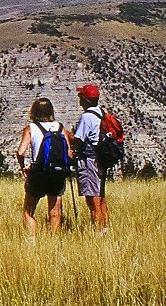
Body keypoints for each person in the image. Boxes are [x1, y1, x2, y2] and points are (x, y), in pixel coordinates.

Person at [16, 96, 74, 238]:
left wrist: (23, 167)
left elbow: (20, 152)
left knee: (29, 210)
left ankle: (31, 242)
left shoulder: (31, 128)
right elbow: (70, 153)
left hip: (38, 173)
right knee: (55, 212)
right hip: (57, 173)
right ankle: (53, 243)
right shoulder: (60, 128)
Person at [71, 84, 111, 235]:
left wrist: (66, 135)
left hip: (89, 161)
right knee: (100, 196)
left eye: (81, 96)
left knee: (92, 198)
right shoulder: (101, 113)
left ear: (86, 100)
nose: (79, 99)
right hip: (101, 160)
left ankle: (98, 232)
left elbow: (78, 140)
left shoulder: (87, 116)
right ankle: (105, 228)